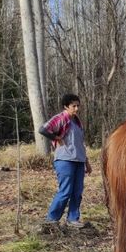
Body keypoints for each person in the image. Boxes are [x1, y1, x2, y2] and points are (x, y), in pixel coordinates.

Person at [39, 93, 92, 228]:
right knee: (65, 191)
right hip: (65, 160)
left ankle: (73, 219)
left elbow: (79, 143)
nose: (76, 109)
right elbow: (43, 129)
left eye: (78, 106)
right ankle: (52, 219)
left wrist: (86, 162)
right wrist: (56, 138)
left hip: (79, 161)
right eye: (73, 106)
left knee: (77, 192)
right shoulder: (61, 118)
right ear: (66, 106)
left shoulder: (77, 122)